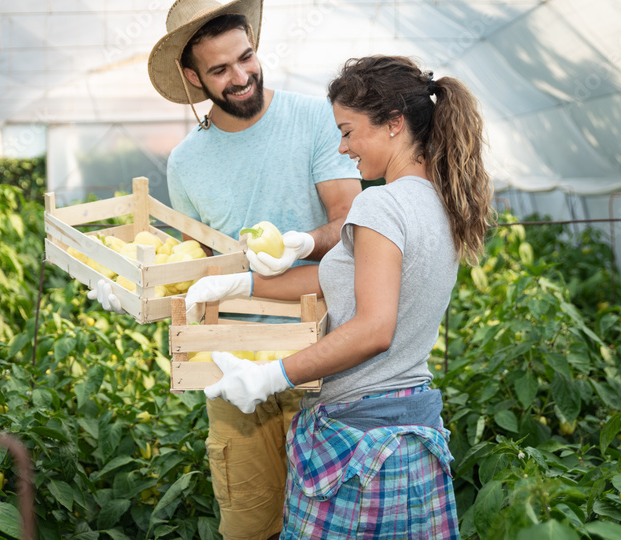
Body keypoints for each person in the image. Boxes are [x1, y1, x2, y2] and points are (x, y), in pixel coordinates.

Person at [190, 55, 493, 539]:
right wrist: (244, 283)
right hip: (412, 434)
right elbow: (343, 280)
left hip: (359, 445)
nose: (343, 146)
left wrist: (272, 375)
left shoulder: (380, 204)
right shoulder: (438, 201)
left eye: (349, 131)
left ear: (394, 124)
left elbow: (374, 329)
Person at [133, 0, 361, 540]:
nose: (241, 76)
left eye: (246, 57)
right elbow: (200, 267)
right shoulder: (186, 162)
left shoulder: (313, 119)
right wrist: (140, 290)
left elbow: (352, 225)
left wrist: (302, 242)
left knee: (333, 518)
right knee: (249, 517)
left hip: (324, 353)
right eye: (220, 69)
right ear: (193, 79)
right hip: (233, 364)